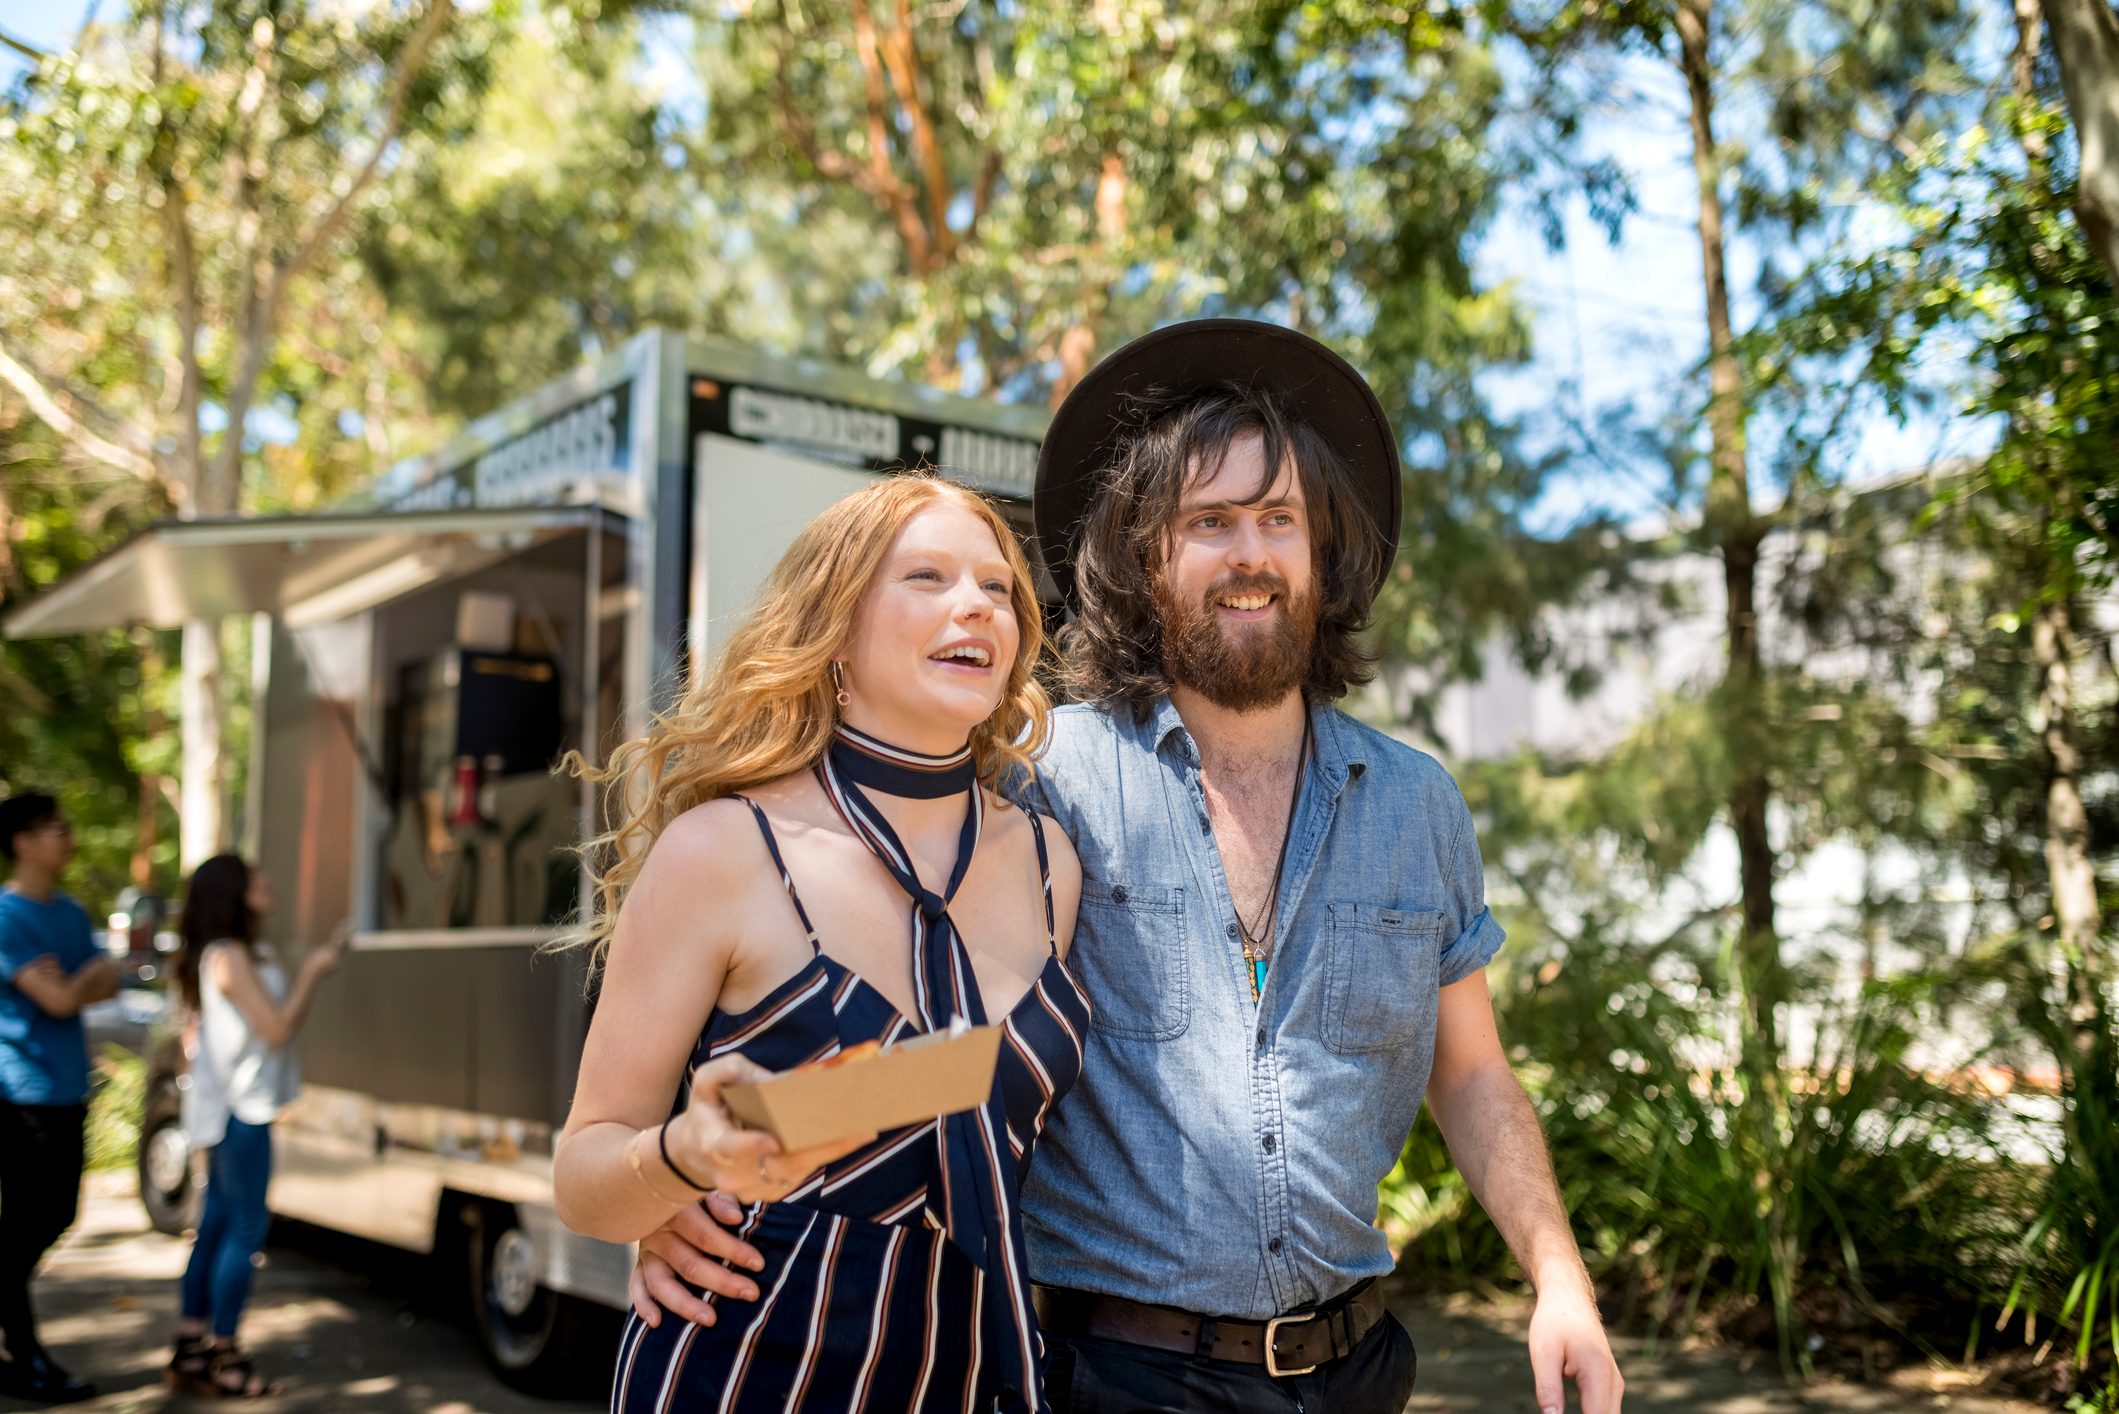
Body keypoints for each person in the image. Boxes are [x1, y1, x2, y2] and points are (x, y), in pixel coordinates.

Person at [632, 320, 1626, 1413]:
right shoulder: (1037, 778)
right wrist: (684, 1179)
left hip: (1359, 1372)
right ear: (1143, 558)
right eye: (1208, 521)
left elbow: (1472, 1073)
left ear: (1320, 552)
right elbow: (931, 1040)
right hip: (1116, 1376)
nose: (1247, 552)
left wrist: (1560, 1278)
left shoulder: (1416, 803)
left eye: (1277, 519)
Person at [553, 473, 1086, 1412]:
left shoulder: (1050, 862)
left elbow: (951, 1090)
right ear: (835, 628)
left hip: (978, 1380)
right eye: (925, 576)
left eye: (997, 587)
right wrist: (685, 1159)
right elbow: (584, 1177)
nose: (975, 603)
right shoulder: (723, 850)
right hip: (748, 1369)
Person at [164, 854, 346, 1399]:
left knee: (216, 1227)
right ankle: (225, 1357)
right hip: (243, 1113)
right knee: (243, 1232)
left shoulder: (232, 953)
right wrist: (314, 972)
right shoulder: (228, 957)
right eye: (253, 879)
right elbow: (275, 1030)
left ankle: (191, 1349)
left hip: (227, 1113)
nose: (265, 883)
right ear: (233, 894)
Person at [0, 792, 114, 1406]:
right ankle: (28, 1359)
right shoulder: (5, 917)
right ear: (22, 841)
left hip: (69, 1089)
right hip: (19, 1093)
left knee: (56, 1216)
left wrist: (73, 982)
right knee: (22, 1225)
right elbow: (64, 1001)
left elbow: (107, 979)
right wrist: (76, 983)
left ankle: (20, 1353)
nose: (68, 839)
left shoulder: (69, 913)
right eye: (55, 830)